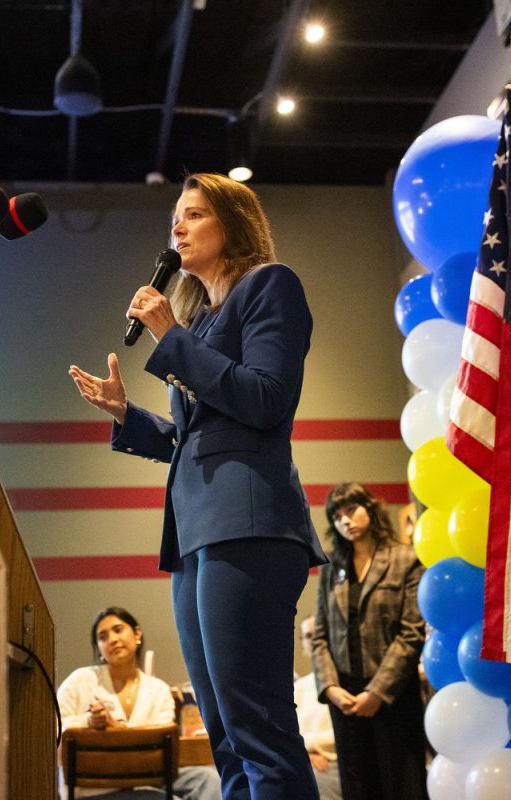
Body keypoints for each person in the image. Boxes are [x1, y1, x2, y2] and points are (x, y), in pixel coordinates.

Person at [69, 173, 327, 800]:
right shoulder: (202, 323)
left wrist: (169, 337)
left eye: (193, 215)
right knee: (225, 737)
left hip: (250, 525)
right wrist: (129, 416)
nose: (176, 228)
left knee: (258, 727)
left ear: (232, 224)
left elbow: (266, 401)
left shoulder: (271, 286)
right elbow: (198, 439)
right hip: (194, 535)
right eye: (174, 219)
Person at [311, 482, 427, 799]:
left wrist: (377, 691)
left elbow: (411, 631)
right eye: (337, 516)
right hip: (344, 699)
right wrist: (330, 687)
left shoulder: (405, 559)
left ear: (370, 509)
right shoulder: (332, 568)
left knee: (402, 785)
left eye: (351, 510)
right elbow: (319, 634)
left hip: (393, 697)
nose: (345, 520)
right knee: (358, 789)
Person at [57, 607, 222, 800]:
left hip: (147, 782)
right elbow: (54, 730)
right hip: (94, 787)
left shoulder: (158, 690)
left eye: (118, 630)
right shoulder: (80, 681)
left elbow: (162, 745)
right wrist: (89, 722)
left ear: (137, 634)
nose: (112, 639)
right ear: (99, 649)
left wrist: (117, 730)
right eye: (103, 637)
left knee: (208, 779)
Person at [293, 618, 342, 800]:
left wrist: (309, 748)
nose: (313, 641)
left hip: (336, 761)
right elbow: (289, 734)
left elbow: (341, 735)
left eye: (318, 634)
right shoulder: (299, 688)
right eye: (307, 636)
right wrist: (306, 753)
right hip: (307, 759)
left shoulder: (343, 684)